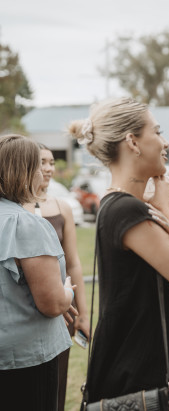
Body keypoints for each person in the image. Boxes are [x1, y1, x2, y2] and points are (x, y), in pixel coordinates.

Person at [69, 97, 169, 410]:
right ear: (132, 142)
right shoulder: (127, 211)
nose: (165, 143)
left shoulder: (122, 206)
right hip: (143, 372)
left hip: (151, 361)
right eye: (157, 132)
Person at [0, 134, 77, 410]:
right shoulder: (27, 224)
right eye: (37, 166)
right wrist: (67, 292)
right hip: (25, 360)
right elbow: (53, 303)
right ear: (25, 173)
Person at [22, 143, 91, 410]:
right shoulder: (17, 208)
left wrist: (82, 314)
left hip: (63, 308)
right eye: (42, 162)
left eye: (52, 162)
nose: (49, 168)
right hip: (28, 310)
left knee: (57, 386)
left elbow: (73, 263)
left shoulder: (62, 207)